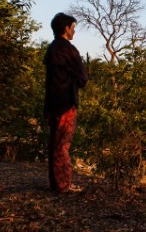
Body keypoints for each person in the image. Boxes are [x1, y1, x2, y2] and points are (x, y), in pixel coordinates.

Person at [44, 12, 88, 193]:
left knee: (54, 143)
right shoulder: (70, 50)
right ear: (66, 28)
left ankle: (56, 183)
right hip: (66, 102)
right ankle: (64, 185)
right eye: (73, 28)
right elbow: (83, 78)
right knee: (63, 145)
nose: (74, 32)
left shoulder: (52, 49)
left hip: (52, 103)